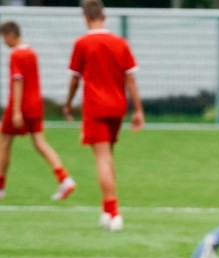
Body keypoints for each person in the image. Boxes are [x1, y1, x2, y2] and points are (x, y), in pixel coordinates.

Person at [63, 0, 144, 232]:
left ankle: (114, 211)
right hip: (117, 106)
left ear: (85, 18)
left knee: (102, 158)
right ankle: (106, 211)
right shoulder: (120, 43)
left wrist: (68, 104)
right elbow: (131, 78)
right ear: (104, 16)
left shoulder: (82, 43)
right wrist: (138, 109)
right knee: (109, 156)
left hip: (96, 107)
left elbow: (75, 79)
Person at [0, 21, 76, 202]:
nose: (4, 42)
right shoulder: (32, 53)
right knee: (40, 142)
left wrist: (17, 110)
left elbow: (18, 81)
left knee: (4, 143)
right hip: (35, 105)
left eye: (4, 38)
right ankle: (64, 178)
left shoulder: (16, 55)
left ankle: (1, 187)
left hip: (20, 105)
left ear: (11, 35)